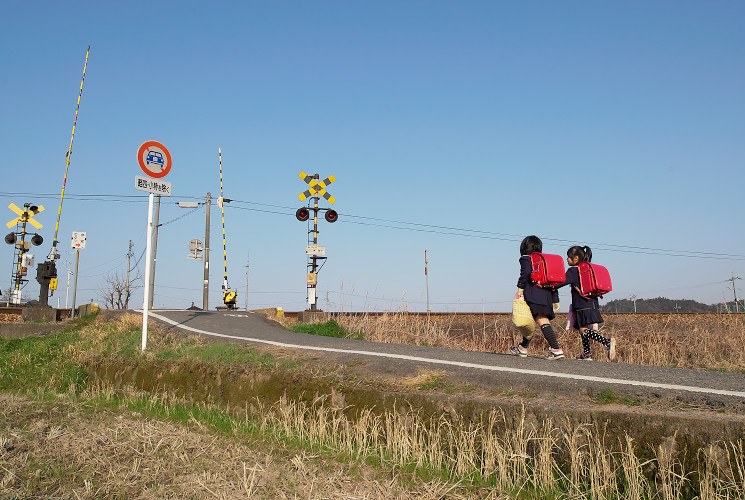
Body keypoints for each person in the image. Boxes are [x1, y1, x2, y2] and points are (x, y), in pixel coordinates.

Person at [510, 235, 565, 359]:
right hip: (547, 295)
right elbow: (553, 281)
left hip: (534, 294)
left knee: (541, 321)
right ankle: (523, 347)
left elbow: (525, 273)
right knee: (530, 321)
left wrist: (520, 288)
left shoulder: (526, 258)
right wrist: (555, 299)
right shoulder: (544, 261)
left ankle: (556, 349)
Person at [558, 245, 616, 361]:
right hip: (593, 303)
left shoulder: (574, 270)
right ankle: (587, 353)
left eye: (569, 257)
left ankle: (606, 342)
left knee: (583, 330)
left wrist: (550, 285)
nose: (567, 259)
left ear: (576, 259)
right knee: (582, 328)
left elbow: (561, 281)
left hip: (581, 304)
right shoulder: (587, 270)